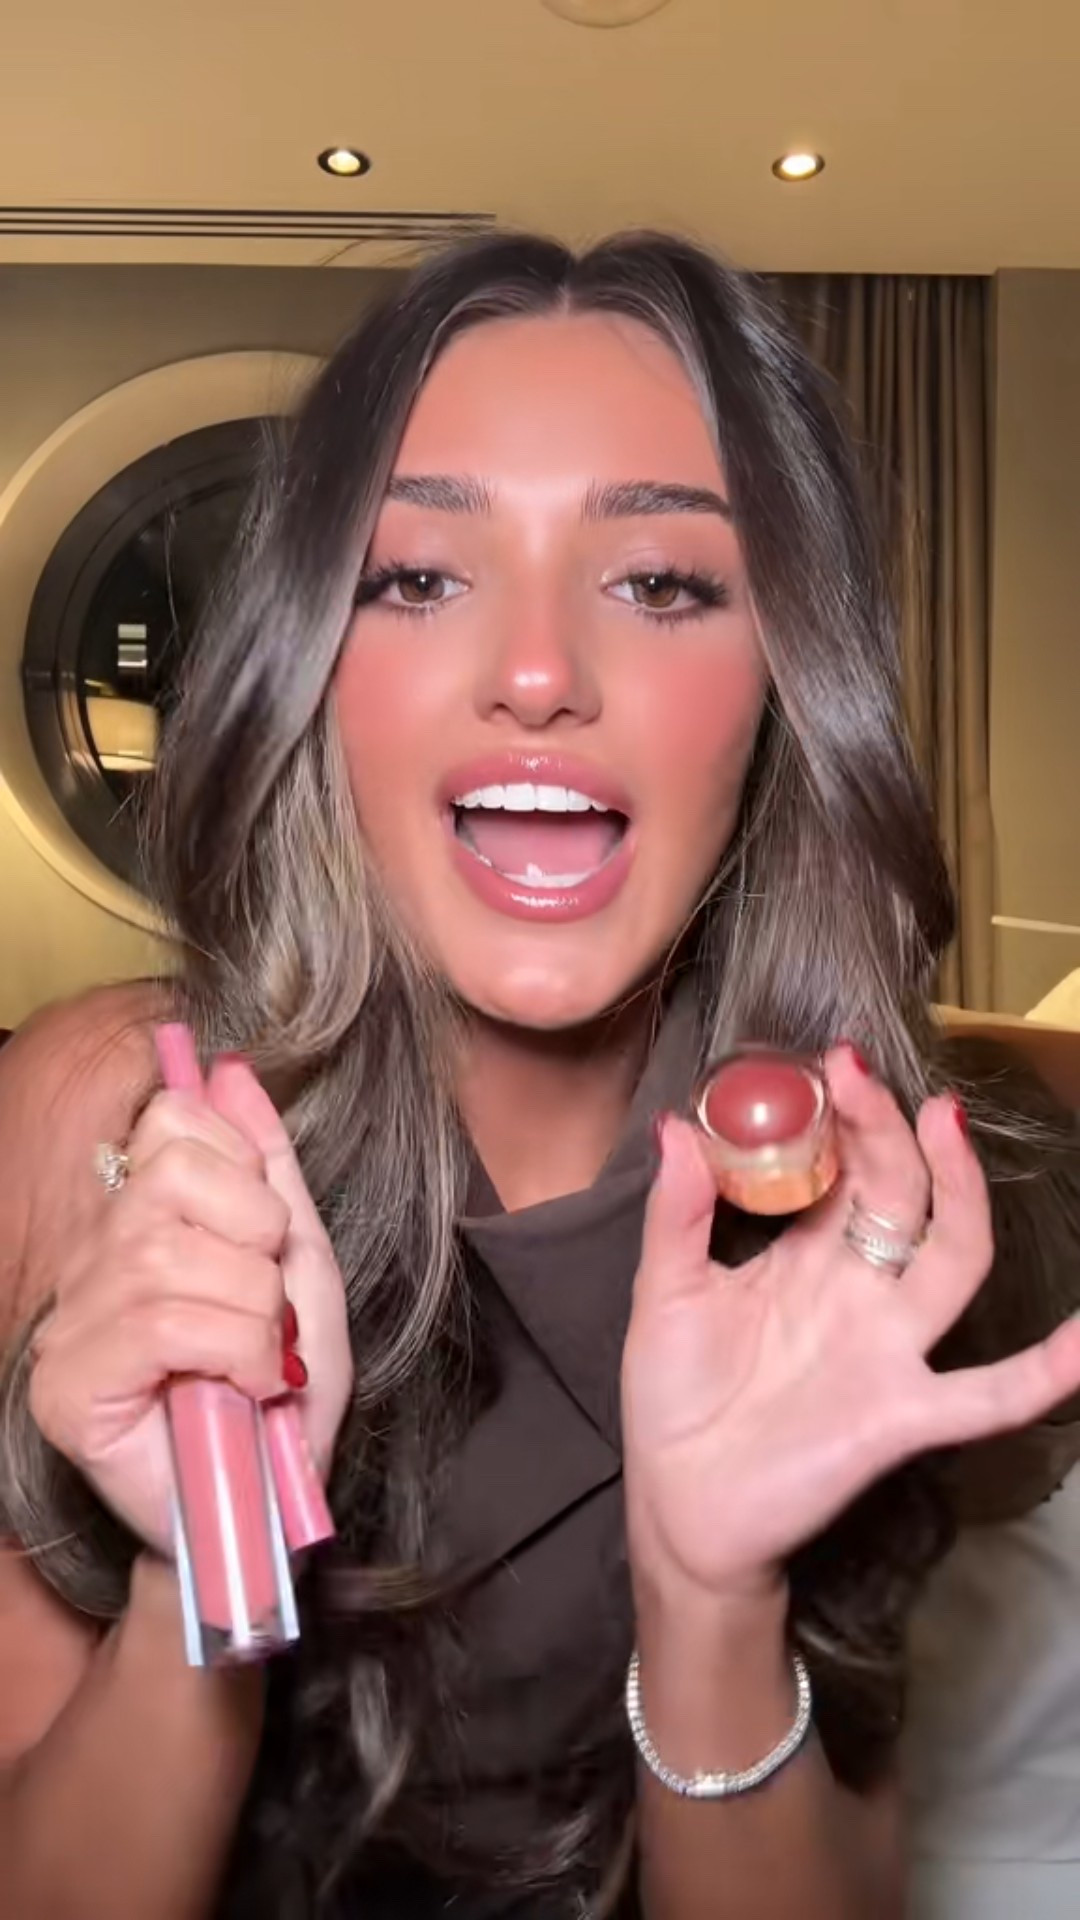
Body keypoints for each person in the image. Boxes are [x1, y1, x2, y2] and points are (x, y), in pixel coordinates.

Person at [1, 231, 1079, 1920]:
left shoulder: (876, 1213)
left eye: (659, 584)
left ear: (783, 686)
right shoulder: (112, 1120)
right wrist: (193, 1581)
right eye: (418, 578)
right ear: (315, 669)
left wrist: (712, 1599)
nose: (535, 674)